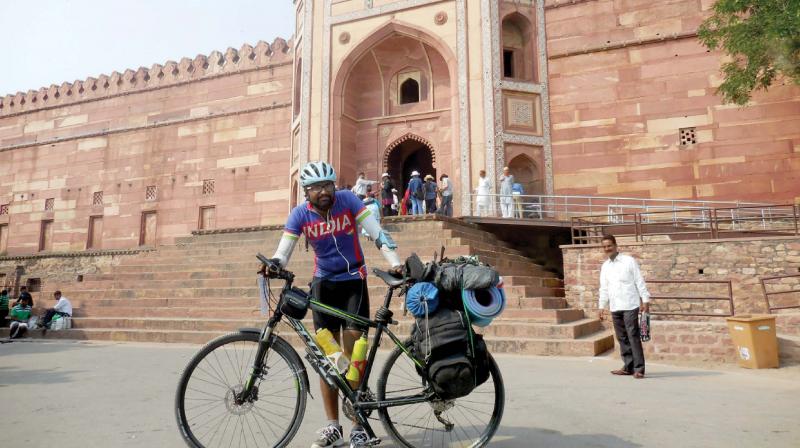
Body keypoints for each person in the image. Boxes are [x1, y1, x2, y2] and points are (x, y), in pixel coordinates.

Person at [268, 161, 402, 448]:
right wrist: (276, 263)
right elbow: (285, 247)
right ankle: (333, 427)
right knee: (329, 359)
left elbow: (377, 232)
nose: (324, 191)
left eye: (328, 185)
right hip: (323, 284)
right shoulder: (299, 214)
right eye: (317, 188)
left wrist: (395, 263)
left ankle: (357, 426)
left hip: (354, 280)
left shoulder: (348, 200)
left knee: (354, 356)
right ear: (306, 192)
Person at [598, 234, 651, 379]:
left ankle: (639, 369)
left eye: (609, 245)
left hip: (630, 304)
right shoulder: (605, 266)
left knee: (632, 335)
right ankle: (628, 366)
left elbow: (639, 280)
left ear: (615, 245)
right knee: (622, 337)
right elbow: (604, 288)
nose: (607, 248)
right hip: (615, 306)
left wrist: (645, 300)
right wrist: (601, 306)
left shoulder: (628, 261)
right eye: (604, 247)